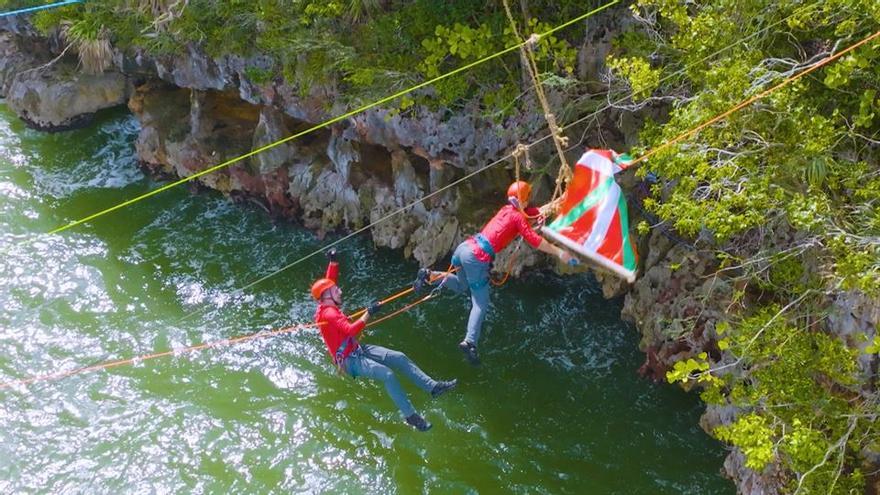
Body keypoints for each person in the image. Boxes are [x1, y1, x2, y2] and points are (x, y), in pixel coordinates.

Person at [415, 181, 574, 365]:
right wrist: (559, 252)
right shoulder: (517, 217)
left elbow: (536, 212)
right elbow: (534, 240)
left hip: (464, 248)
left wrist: (562, 199)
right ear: (524, 199)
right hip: (476, 257)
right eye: (528, 199)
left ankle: (429, 275)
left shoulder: (507, 210)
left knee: (461, 286)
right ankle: (470, 342)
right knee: (480, 304)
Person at [312, 248, 457, 432]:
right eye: (336, 290)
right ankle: (411, 416)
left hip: (355, 349)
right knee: (387, 375)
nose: (339, 290)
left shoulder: (327, 299)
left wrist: (333, 262)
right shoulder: (330, 313)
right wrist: (368, 313)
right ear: (327, 296)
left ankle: (433, 387)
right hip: (349, 360)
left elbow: (330, 282)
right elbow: (350, 329)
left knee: (399, 357)